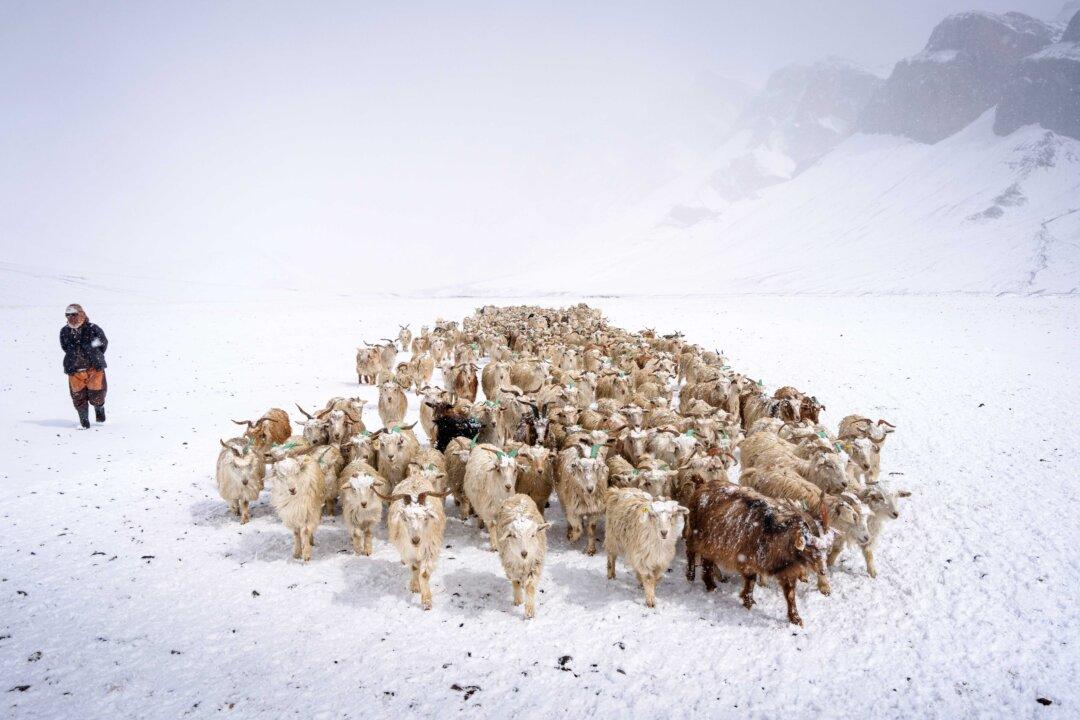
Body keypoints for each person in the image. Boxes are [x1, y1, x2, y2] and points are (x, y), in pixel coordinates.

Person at [60, 304, 108, 429]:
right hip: (74, 370)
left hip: (94, 368)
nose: (71, 317)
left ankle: (99, 408)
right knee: (78, 396)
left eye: (74, 314)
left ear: (81, 314)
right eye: (68, 315)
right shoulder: (64, 331)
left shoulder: (93, 328)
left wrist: (94, 353)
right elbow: (65, 347)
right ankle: (84, 420)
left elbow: (103, 343)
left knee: (97, 393)